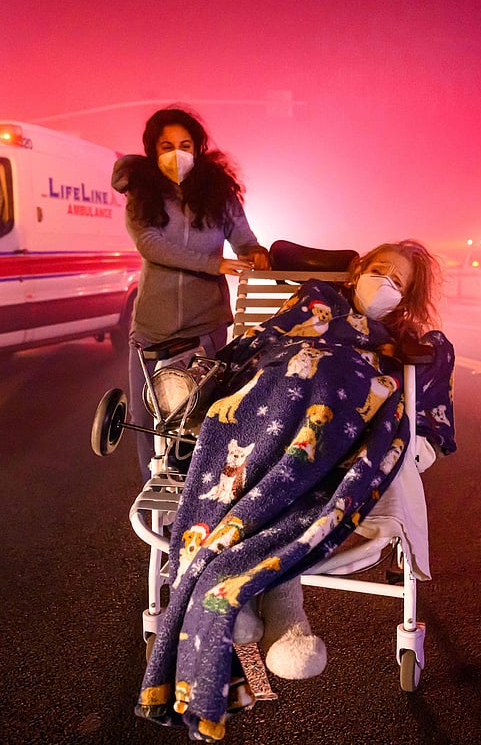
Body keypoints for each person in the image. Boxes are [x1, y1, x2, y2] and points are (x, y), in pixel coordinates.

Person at [135, 239, 456, 742]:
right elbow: (262, 343)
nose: (385, 285)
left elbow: (422, 405)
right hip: (270, 401)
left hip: (338, 416)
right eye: (380, 271)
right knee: (279, 389)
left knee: (332, 384)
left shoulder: (403, 342)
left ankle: (239, 595)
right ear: (357, 272)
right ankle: (261, 603)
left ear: (407, 296)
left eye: (398, 282)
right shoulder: (315, 299)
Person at [111, 107, 270, 482]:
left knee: (200, 417)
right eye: (166, 146)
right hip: (151, 328)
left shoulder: (217, 193)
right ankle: (153, 493)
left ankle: (200, 495)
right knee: (145, 417)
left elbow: (245, 240)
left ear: (197, 148)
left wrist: (257, 253)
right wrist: (214, 264)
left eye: (185, 145)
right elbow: (150, 245)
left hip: (205, 326)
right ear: (152, 150)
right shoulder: (142, 193)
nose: (177, 153)